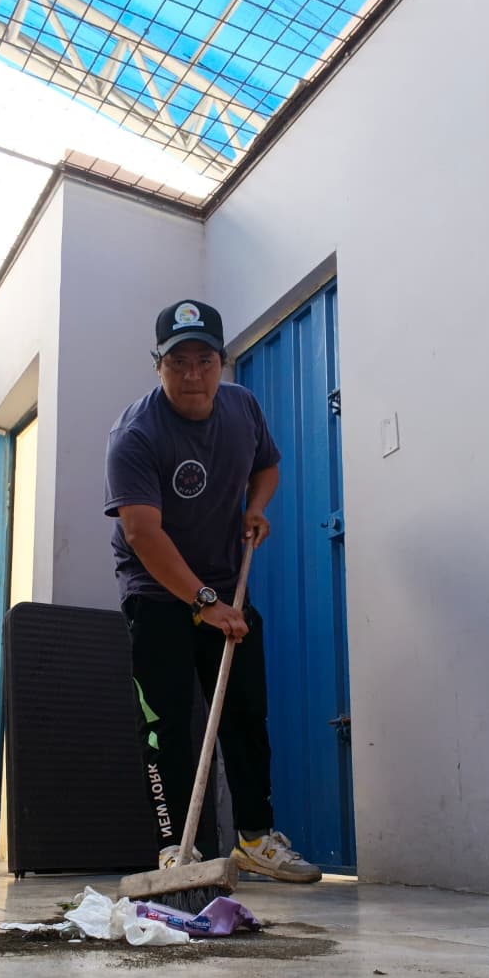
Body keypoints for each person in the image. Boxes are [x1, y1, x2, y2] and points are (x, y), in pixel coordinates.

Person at [104, 299, 321, 884]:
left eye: (204, 360)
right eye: (178, 362)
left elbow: (267, 466)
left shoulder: (242, 407)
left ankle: (254, 839)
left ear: (221, 362)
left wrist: (255, 507)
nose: (193, 375)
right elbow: (142, 533)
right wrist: (204, 603)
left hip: (228, 585)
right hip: (157, 593)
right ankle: (178, 850)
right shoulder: (135, 435)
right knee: (168, 724)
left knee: (245, 713)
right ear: (158, 365)